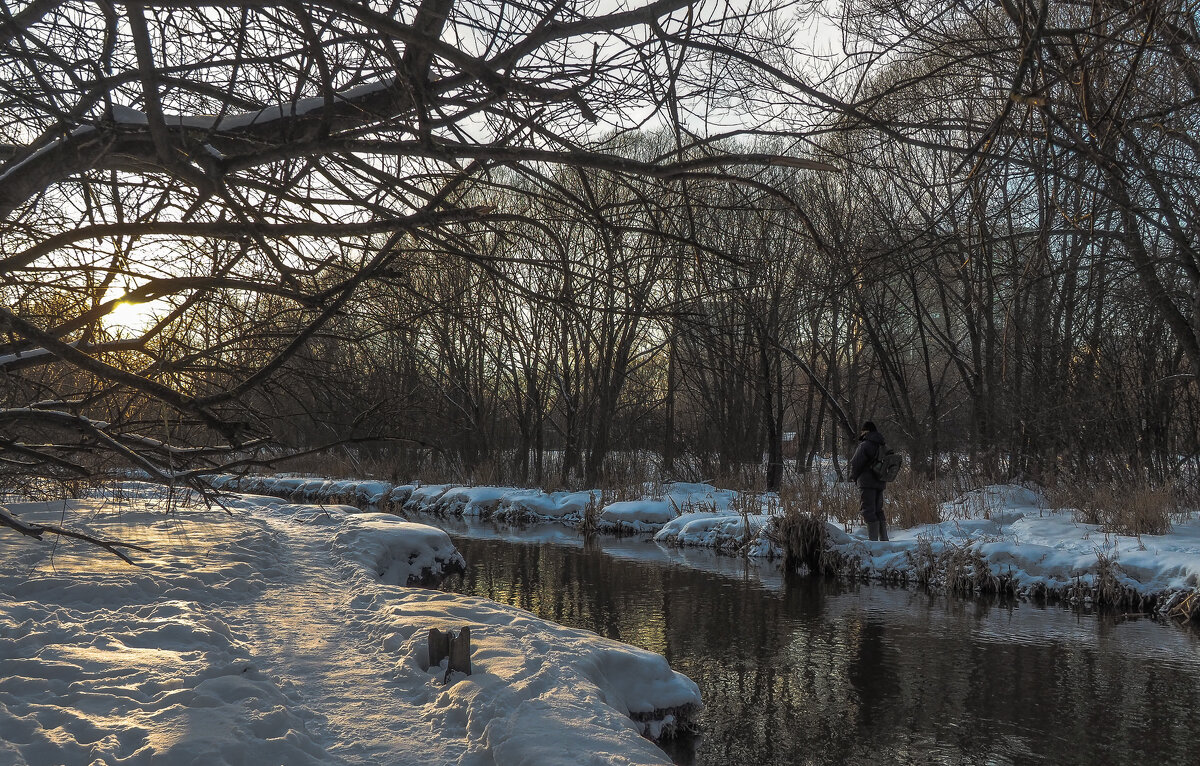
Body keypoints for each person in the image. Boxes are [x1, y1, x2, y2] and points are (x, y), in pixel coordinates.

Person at [849, 420, 889, 541]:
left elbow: (856, 463)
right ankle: (884, 540)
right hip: (880, 481)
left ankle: (873, 542)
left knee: (868, 510)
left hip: (867, 482)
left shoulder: (865, 445)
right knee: (878, 510)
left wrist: (853, 477)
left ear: (866, 431)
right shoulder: (882, 445)